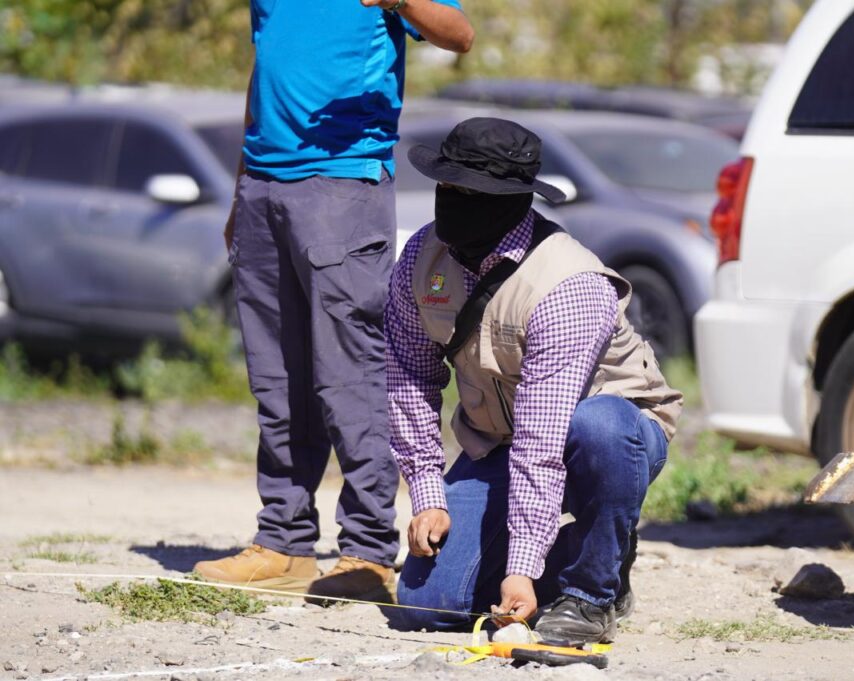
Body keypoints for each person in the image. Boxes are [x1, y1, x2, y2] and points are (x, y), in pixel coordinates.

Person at [194, 0, 474, 604]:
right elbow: (264, 75)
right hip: (263, 188)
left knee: (350, 377)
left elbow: (460, 35)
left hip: (342, 184)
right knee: (277, 380)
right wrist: (242, 190)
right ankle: (284, 542)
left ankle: (368, 552)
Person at [384, 117, 684, 644]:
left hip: (608, 432)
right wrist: (428, 492)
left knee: (599, 429)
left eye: (469, 191)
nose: (451, 200)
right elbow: (408, 375)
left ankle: (591, 594)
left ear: (511, 200)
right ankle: (597, 552)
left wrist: (521, 567)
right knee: (427, 603)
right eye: (446, 185)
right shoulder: (421, 258)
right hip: (499, 442)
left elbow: (542, 441)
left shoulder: (568, 284)